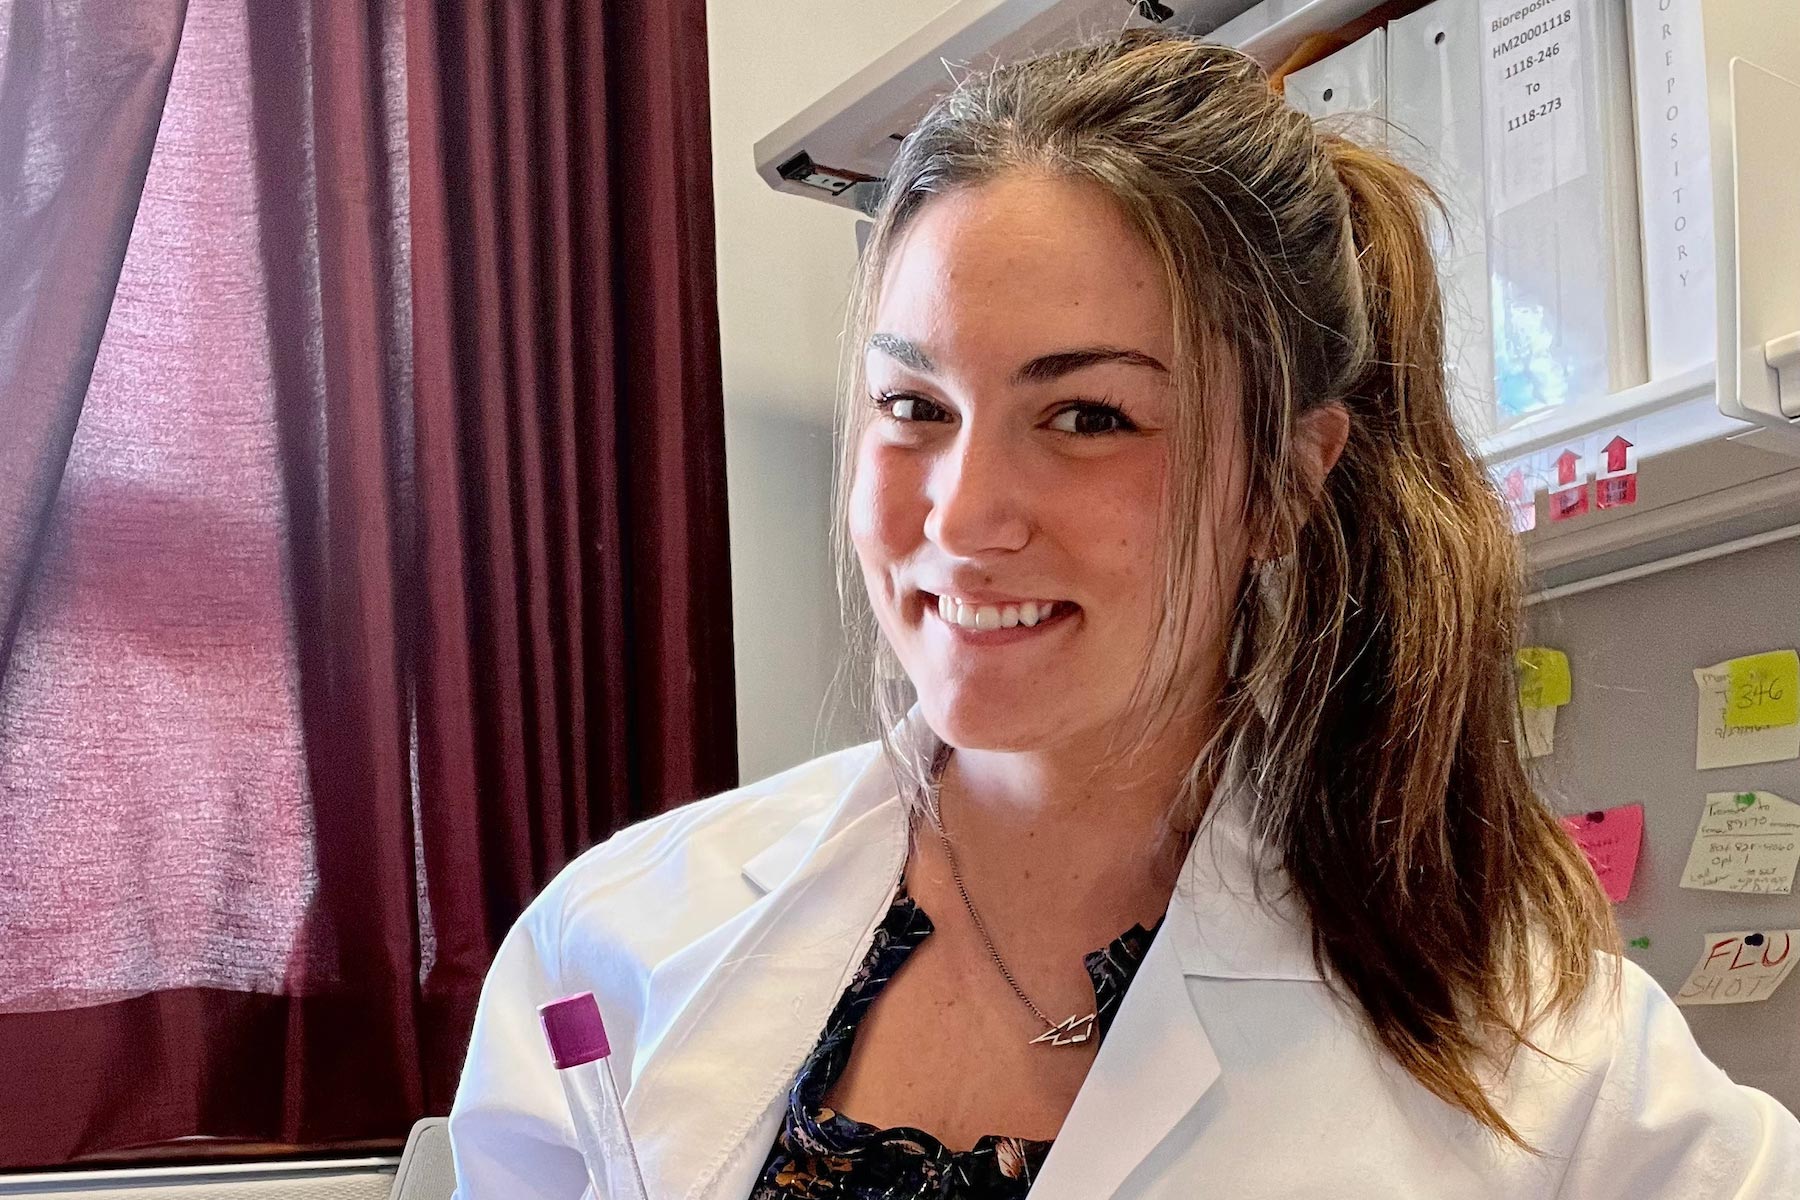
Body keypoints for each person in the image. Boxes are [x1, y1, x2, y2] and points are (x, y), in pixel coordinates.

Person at [445, 29, 1800, 1198]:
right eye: (915, 408)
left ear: (1283, 480)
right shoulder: (612, 947)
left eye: (1088, 416)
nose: (964, 517)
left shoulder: (1528, 1035)